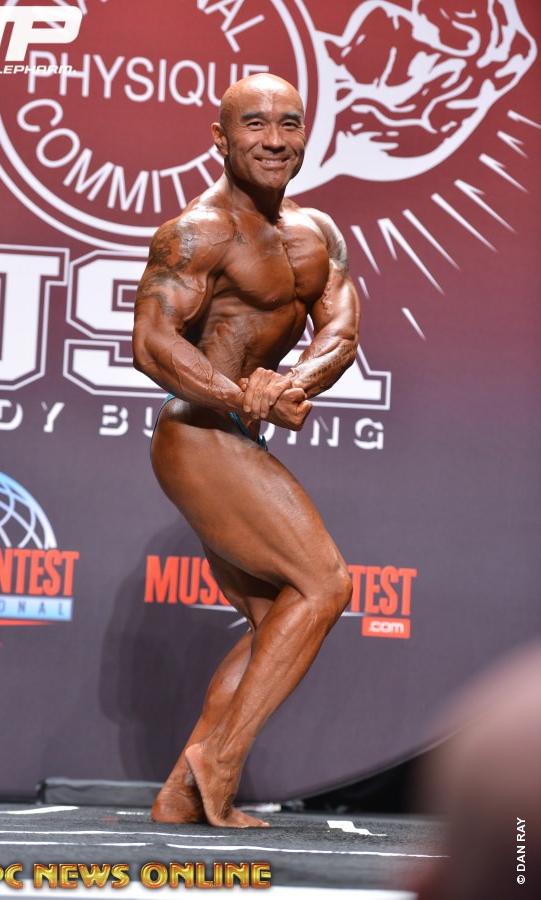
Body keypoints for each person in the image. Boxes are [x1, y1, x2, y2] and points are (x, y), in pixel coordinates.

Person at [133, 73, 360, 828]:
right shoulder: (199, 231)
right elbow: (151, 341)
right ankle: (222, 760)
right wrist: (241, 396)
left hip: (238, 431)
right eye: (254, 124)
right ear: (220, 137)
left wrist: (292, 383)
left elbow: (341, 330)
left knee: (278, 625)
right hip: (197, 432)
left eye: (288, 123)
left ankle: (180, 793)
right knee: (325, 584)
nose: (273, 139)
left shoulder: (317, 232)